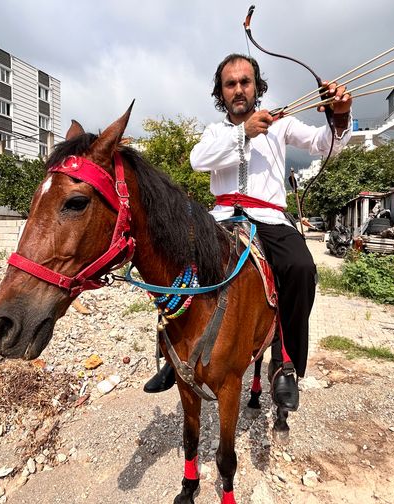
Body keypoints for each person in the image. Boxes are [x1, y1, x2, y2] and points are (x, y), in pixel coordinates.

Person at [144, 53, 352, 411]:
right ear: (221, 92)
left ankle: (285, 364)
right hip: (221, 218)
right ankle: (170, 353)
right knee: (173, 263)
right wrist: (244, 133)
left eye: (245, 82)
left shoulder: (281, 125)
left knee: (300, 268)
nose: (239, 89)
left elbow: (326, 143)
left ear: (257, 86)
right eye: (230, 84)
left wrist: (340, 113)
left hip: (268, 218)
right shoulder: (215, 132)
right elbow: (199, 160)